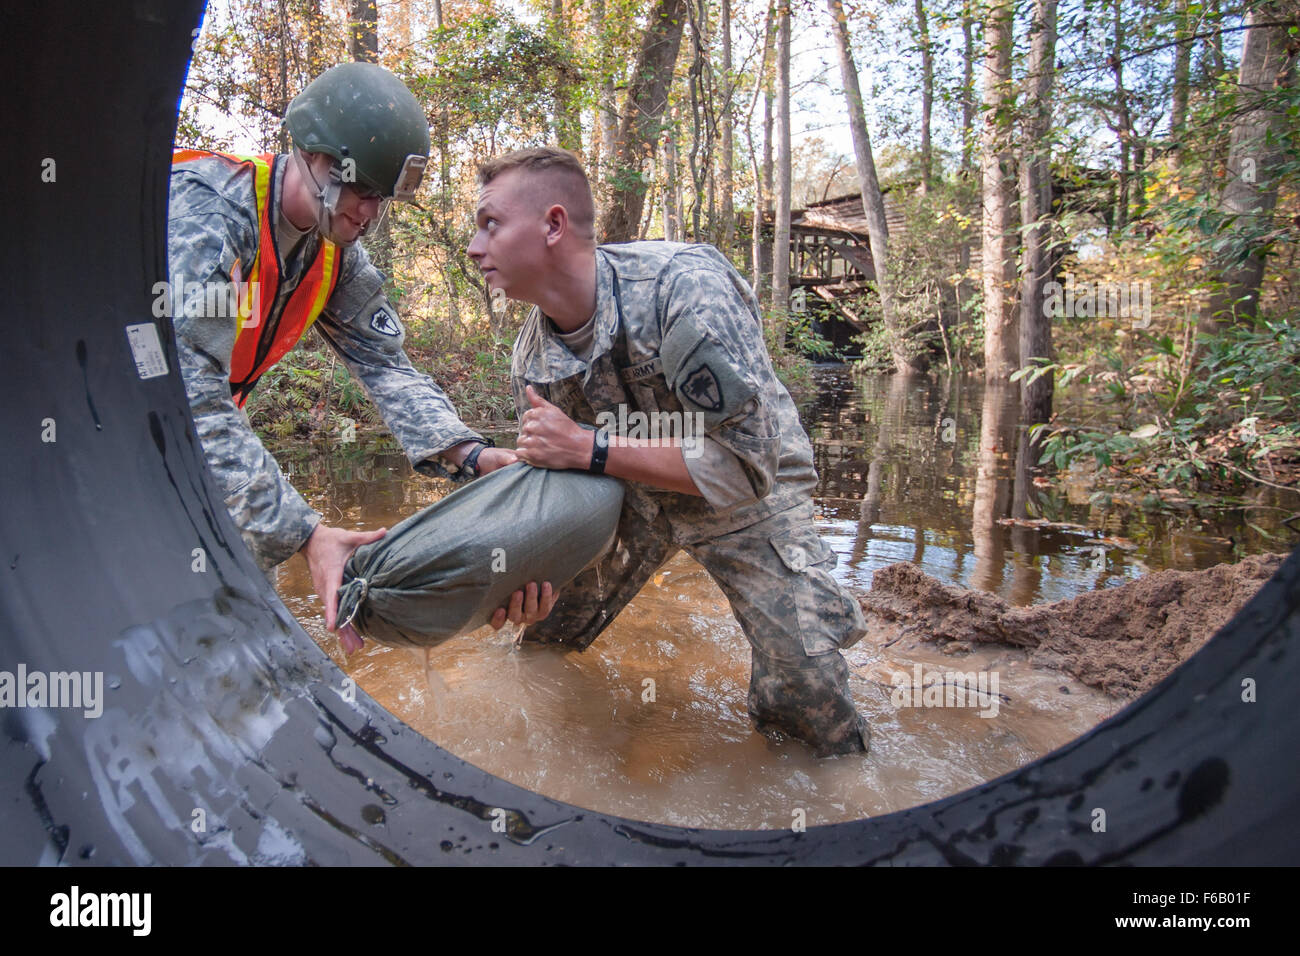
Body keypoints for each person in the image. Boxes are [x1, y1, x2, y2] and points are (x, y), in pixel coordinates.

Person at [466, 147, 870, 757]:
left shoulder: (682, 287)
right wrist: (529, 566)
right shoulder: (532, 357)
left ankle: (837, 801)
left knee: (806, 687)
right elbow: (561, 480)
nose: (474, 247)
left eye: (489, 223)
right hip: (626, 497)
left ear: (552, 225)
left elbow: (744, 467)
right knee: (541, 644)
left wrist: (588, 447)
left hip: (751, 491)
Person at [168, 64, 554, 650]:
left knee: (247, 626)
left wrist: (472, 455)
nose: (371, 213)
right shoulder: (212, 215)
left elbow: (387, 365)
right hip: (107, 429)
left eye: (382, 199)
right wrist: (306, 533)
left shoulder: (332, 256)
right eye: (363, 190)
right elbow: (186, 393)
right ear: (317, 157)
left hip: (201, 441)